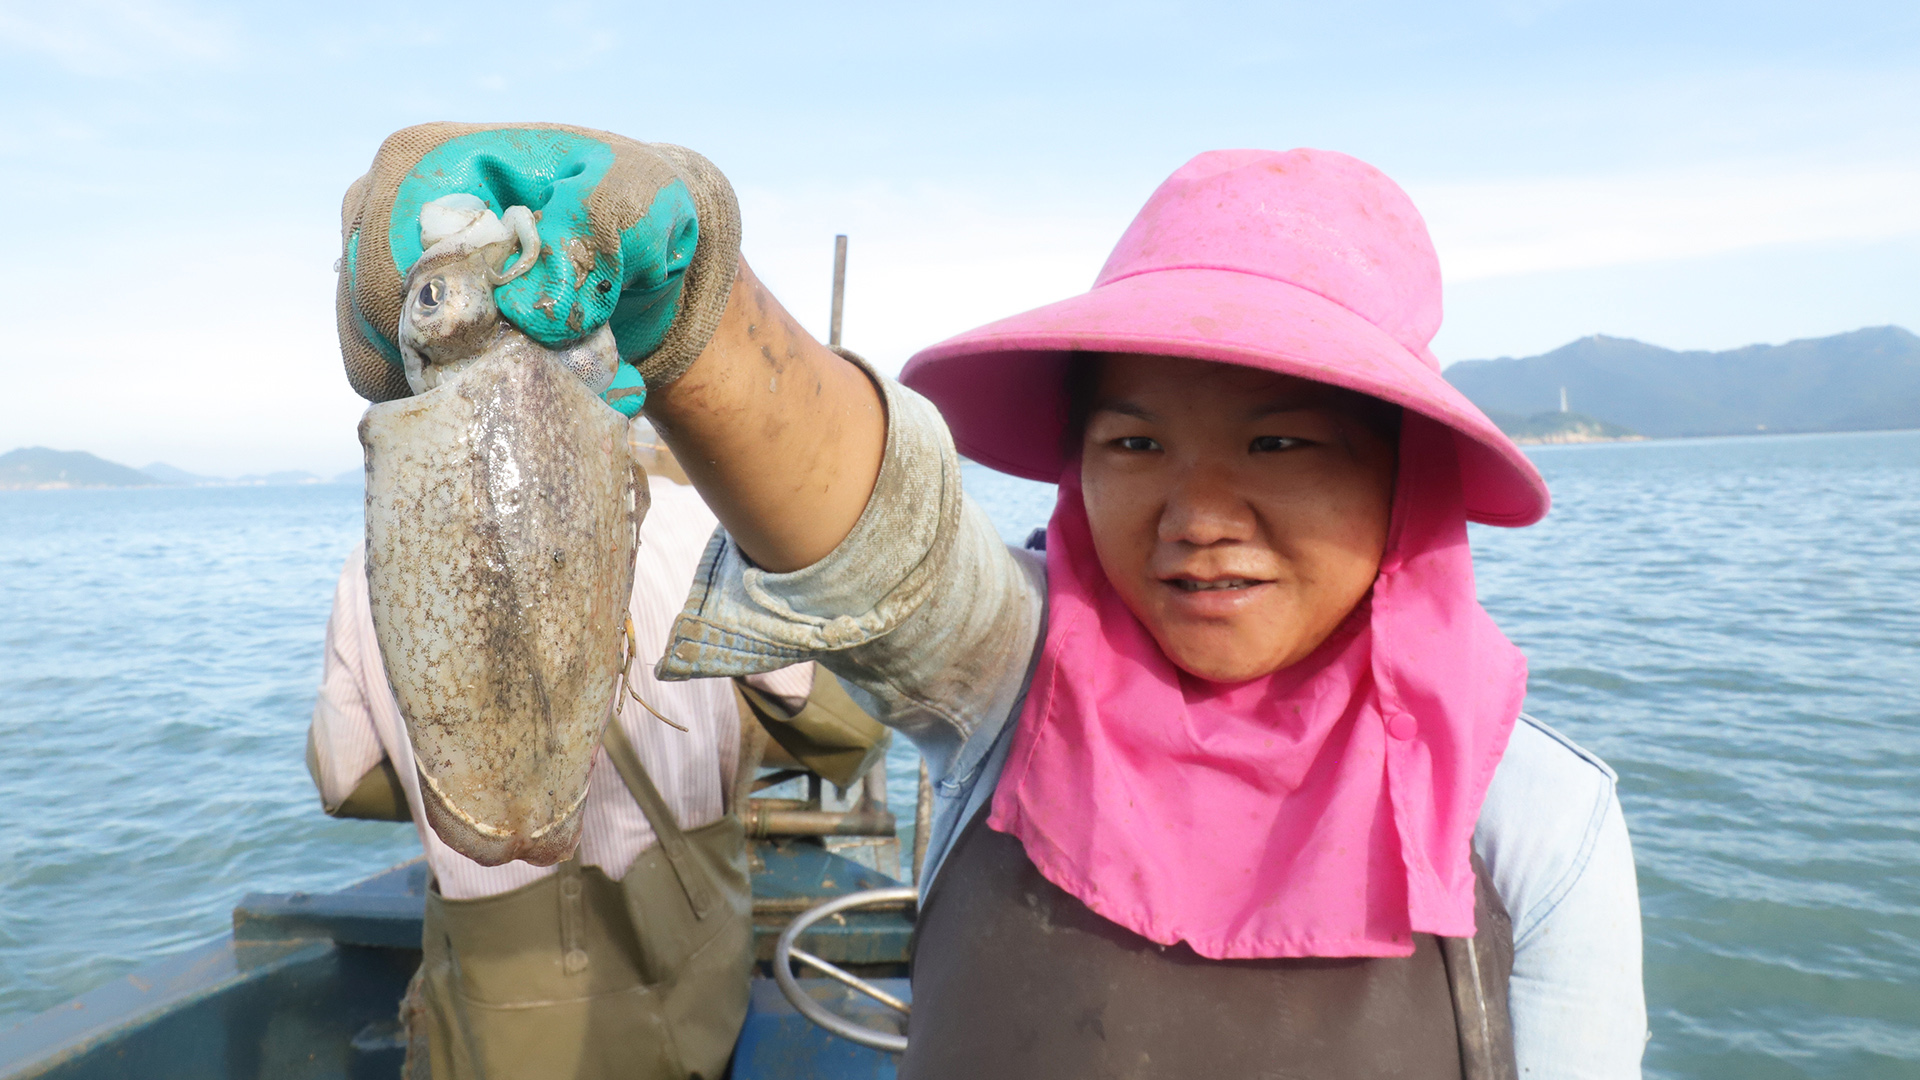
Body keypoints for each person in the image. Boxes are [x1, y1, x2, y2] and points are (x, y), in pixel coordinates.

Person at [335, 127, 1646, 1078]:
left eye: (1282, 445)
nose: (1196, 513)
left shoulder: (1537, 821)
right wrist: (698, 309)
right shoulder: (1019, 681)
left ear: (1403, 477)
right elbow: (875, 541)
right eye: (1133, 445)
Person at [306, 437, 820, 1080]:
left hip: (502, 993)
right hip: (690, 959)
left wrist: (454, 782)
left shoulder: (373, 561)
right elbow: (797, 690)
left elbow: (342, 778)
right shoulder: (692, 520)